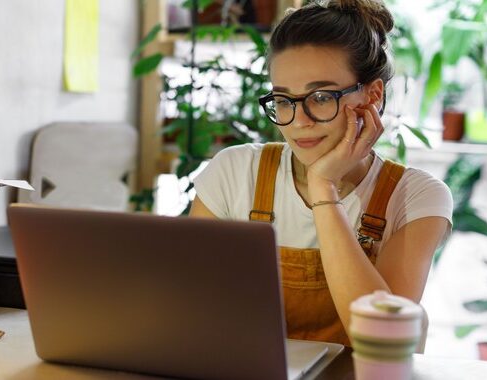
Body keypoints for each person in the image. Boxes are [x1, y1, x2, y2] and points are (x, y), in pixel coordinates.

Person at [189, 0, 453, 346]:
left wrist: (323, 186)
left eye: (321, 97)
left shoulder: (415, 197)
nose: (299, 121)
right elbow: (189, 310)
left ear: (373, 95)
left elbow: (385, 339)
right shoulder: (234, 172)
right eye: (284, 100)